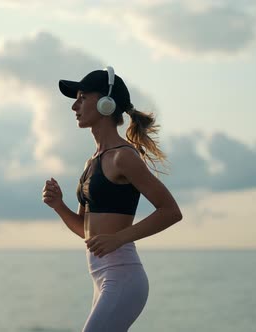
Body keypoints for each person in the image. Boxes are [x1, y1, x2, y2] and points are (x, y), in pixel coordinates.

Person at [42, 66, 183, 331]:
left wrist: (118, 238)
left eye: (83, 97)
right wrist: (59, 206)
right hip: (101, 277)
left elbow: (171, 211)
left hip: (124, 276)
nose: (75, 106)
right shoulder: (91, 162)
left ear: (107, 103)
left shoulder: (124, 157)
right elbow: (88, 234)